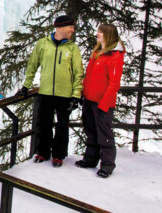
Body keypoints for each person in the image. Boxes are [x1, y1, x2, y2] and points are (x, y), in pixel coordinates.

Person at [16, 15, 85, 167]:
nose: (73, 30)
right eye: (70, 27)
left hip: (65, 94)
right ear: (59, 27)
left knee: (62, 126)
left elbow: (78, 73)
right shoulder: (42, 44)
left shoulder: (72, 48)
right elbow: (32, 65)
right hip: (46, 92)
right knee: (44, 125)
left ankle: (58, 156)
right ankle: (43, 153)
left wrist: (75, 95)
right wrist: (26, 87)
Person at [75, 24, 125, 178]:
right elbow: (89, 77)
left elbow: (114, 84)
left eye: (100, 32)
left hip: (102, 103)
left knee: (104, 134)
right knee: (91, 131)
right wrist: (83, 93)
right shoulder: (98, 53)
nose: (97, 34)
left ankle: (107, 165)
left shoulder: (115, 57)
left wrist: (104, 104)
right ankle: (90, 159)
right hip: (90, 99)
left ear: (108, 35)